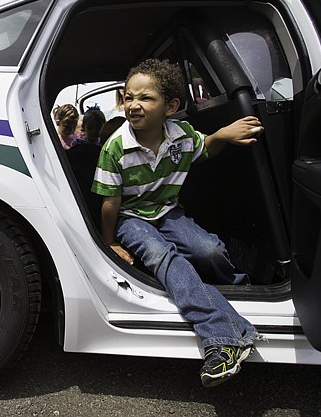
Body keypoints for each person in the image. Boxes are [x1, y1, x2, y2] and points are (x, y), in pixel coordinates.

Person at [91, 58, 264, 387]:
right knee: (161, 254)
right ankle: (220, 338)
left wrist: (222, 135)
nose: (133, 105)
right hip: (130, 216)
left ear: (170, 106)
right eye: (128, 97)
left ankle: (240, 287)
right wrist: (110, 241)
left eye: (145, 98)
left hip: (167, 209)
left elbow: (204, 150)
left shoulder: (181, 134)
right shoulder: (116, 149)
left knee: (208, 250)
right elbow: (110, 202)